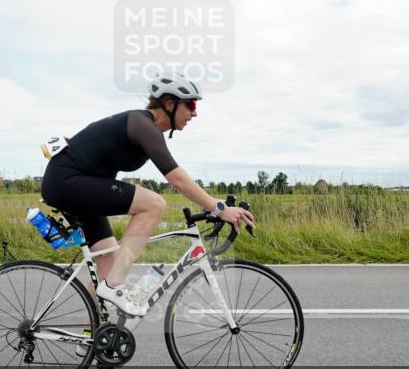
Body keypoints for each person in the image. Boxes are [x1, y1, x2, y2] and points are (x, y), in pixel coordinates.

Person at [40, 72, 255, 317]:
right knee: (154, 204)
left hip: (77, 184)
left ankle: (92, 333)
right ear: (169, 104)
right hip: (66, 181)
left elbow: (178, 175)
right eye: (191, 105)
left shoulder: (148, 130)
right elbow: (176, 179)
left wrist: (214, 205)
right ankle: (114, 288)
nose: (194, 113)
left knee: (109, 264)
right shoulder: (142, 124)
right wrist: (218, 208)